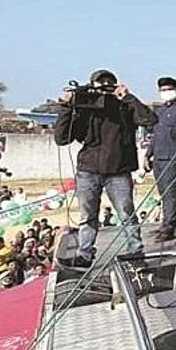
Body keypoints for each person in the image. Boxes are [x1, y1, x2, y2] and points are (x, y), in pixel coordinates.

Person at [54, 69, 155, 268]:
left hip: (118, 170)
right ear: (92, 85)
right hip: (89, 169)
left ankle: (136, 252)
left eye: (110, 82)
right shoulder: (85, 106)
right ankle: (85, 254)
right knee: (87, 215)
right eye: (101, 83)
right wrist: (67, 107)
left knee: (126, 213)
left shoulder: (124, 106)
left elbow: (149, 120)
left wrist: (128, 97)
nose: (105, 86)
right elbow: (62, 138)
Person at [144, 76, 176, 242]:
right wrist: (147, 155)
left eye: (169, 89)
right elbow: (154, 136)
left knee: (172, 193)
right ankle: (168, 223)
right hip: (159, 158)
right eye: (163, 90)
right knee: (164, 193)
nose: (166, 92)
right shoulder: (160, 111)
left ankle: (169, 226)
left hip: (175, 158)